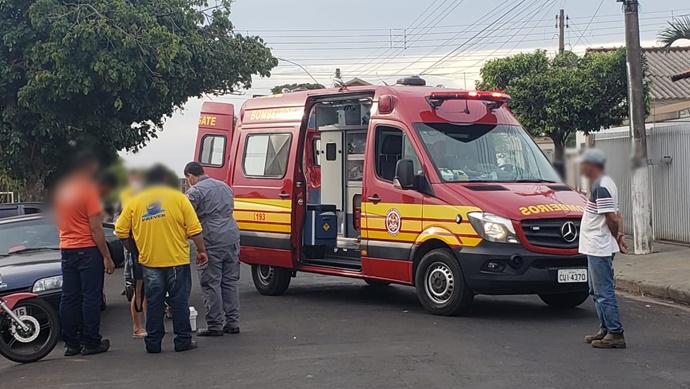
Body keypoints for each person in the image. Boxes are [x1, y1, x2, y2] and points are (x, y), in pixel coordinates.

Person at [115, 164, 208, 353]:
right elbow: (195, 229)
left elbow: (120, 230)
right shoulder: (179, 198)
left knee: (155, 303)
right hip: (177, 260)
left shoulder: (135, 201)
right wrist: (201, 250)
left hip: (150, 261)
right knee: (179, 301)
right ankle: (182, 341)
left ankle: (153, 343)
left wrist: (135, 251)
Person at [53, 152, 115, 357]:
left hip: (67, 247)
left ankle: (71, 343)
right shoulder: (89, 191)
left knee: (69, 297)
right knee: (91, 297)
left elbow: (57, 221)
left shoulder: (62, 191)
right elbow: (96, 228)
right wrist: (106, 256)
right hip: (87, 248)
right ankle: (91, 341)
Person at [184, 162, 241, 336]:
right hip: (231, 235)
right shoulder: (224, 186)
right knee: (230, 281)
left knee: (211, 282)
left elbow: (184, 215)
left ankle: (215, 324)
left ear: (190, 176)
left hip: (212, 238)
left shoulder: (195, 192)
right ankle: (233, 322)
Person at [579, 148, 628, 349]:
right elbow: (618, 213)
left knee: (603, 290)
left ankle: (615, 332)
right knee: (595, 289)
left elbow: (611, 217)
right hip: (596, 245)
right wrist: (620, 235)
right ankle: (605, 328)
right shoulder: (605, 183)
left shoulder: (601, 186)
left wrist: (617, 236)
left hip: (598, 246)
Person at [116, 170, 147, 339]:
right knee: (140, 289)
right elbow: (121, 229)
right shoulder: (130, 200)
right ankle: (137, 327)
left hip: (144, 249)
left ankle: (147, 326)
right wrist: (132, 250)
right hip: (138, 249)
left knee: (147, 290)